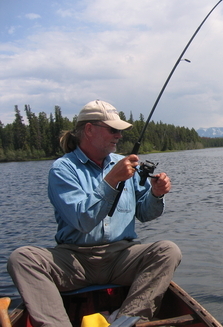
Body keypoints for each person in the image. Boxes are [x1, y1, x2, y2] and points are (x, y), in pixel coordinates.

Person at [7, 100, 182, 327]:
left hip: (121, 257)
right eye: (113, 129)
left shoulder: (124, 164)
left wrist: (156, 195)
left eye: (119, 131)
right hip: (74, 260)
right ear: (89, 130)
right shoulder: (63, 169)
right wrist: (111, 180)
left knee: (168, 250)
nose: (119, 136)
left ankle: (125, 321)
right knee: (21, 258)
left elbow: (144, 213)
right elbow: (83, 220)